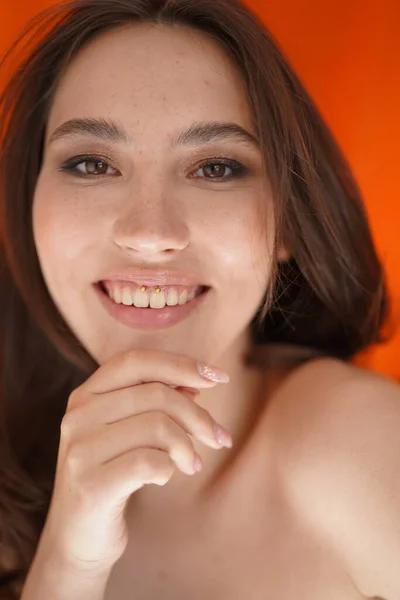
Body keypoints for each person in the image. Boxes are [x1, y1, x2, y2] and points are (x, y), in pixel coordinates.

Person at [0, 0, 397, 598]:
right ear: (28, 206)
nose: (150, 233)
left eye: (215, 168)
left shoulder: (360, 447)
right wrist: (65, 567)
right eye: (91, 163)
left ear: (288, 221)